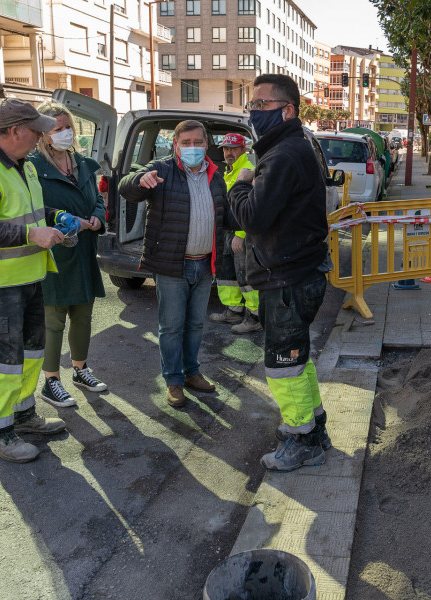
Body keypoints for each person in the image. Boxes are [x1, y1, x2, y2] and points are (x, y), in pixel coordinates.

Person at [0, 98, 74, 463]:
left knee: (30, 353)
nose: (42, 135)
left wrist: (57, 216)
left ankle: (23, 417)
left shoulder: (22, 164)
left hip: (27, 277)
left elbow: (28, 211)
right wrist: (31, 236)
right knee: (1, 362)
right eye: (36, 129)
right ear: (16, 131)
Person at [229, 73, 333, 472]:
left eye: (261, 105)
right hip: (294, 274)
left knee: (282, 365)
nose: (253, 112)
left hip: (287, 279)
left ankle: (302, 438)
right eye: (252, 105)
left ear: (287, 110)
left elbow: (253, 217)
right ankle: (313, 429)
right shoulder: (292, 147)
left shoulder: (283, 154)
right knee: (297, 360)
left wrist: (240, 186)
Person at [118, 120, 237, 408]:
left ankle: (192, 373)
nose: (193, 148)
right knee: (171, 327)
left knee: (195, 325)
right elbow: (126, 187)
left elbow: (227, 217)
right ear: (176, 145)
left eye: (198, 142)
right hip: (172, 265)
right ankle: (173, 381)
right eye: (187, 143)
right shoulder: (161, 170)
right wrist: (137, 181)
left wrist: (255, 211)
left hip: (204, 264)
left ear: (206, 145)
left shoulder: (215, 175)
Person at [28, 101, 108, 408]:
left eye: (68, 127)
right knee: (54, 321)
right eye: (57, 128)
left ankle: (80, 369)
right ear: (44, 134)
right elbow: (31, 211)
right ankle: (51, 381)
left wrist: (98, 217)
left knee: (83, 317)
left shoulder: (84, 164)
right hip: (56, 253)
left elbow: (97, 201)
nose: (64, 133)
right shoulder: (34, 168)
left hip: (85, 251)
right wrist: (59, 218)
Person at [209, 133, 262, 335]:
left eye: (233, 149)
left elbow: (249, 208)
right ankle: (233, 309)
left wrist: (241, 234)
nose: (228, 153)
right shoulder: (229, 172)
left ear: (243, 150)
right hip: (226, 233)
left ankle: (254, 316)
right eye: (225, 149)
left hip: (241, 234)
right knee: (227, 274)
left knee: (245, 276)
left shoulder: (247, 171)